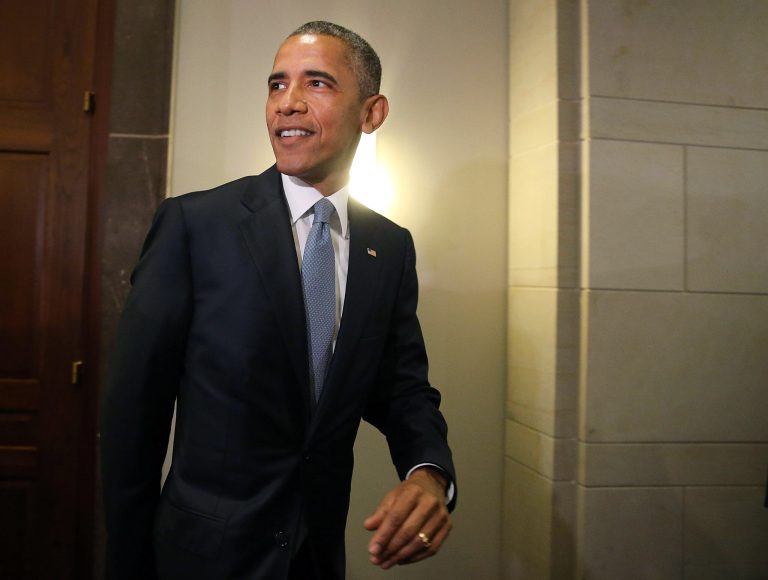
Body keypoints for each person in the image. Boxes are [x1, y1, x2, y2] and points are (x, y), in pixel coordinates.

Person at [100, 21, 456, 580]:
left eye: (316, 84)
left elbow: (402, 388)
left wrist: (428, 472)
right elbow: (132, 417)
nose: (286, 104)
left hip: (315, 559)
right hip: (199, 560)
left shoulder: (389, 248)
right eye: (275, 85)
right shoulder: (195, 226)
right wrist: (126, 565)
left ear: (372, 113)